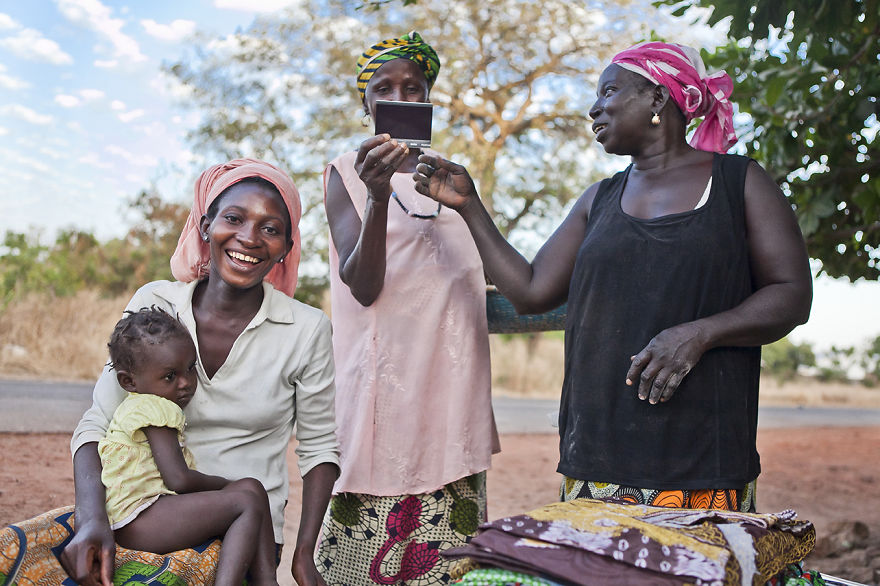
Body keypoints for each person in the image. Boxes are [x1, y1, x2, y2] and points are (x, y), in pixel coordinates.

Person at [413, 42, 813, 512]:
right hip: (597, 457)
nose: (593, 108)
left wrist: (700, 334)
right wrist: (470, 206)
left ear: (658, 99)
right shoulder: (598, 199)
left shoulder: (737, 182)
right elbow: (530, 290)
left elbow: (791, 294)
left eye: (609, 91)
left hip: (703, 457)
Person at [62, 158, 340, 586]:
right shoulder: (157, 304)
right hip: (146, 515)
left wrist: (304, 556)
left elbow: (319, 449)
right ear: (205, 225)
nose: (249, 237)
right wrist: (91, 519)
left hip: (249, 535)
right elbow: (98, 421)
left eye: (271, 228)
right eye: (234, 218)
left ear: (287, 245)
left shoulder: (305, 329)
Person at [316, 31, 499, 585]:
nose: (400, 97)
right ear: (366, 104)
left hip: (450, 387)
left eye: (413, 88)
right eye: (384, 88)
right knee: (360, 560)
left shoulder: (452, 177)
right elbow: (363, 286)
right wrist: (375, 195)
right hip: (381, 387)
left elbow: (485, 271)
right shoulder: (347, 172)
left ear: (428, 100)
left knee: (452, 565)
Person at [99, 306, 278, 586]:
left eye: (190, 368)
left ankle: (268, 582)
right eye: (170, 376)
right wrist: (225, 484)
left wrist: (234, 485)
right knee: (245, 500)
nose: (186, 383)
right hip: (139, 520)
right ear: (128, 381)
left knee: (252, 487)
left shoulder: (144, 404)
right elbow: (179, 479)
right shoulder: (154, 408)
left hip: (149, 514)